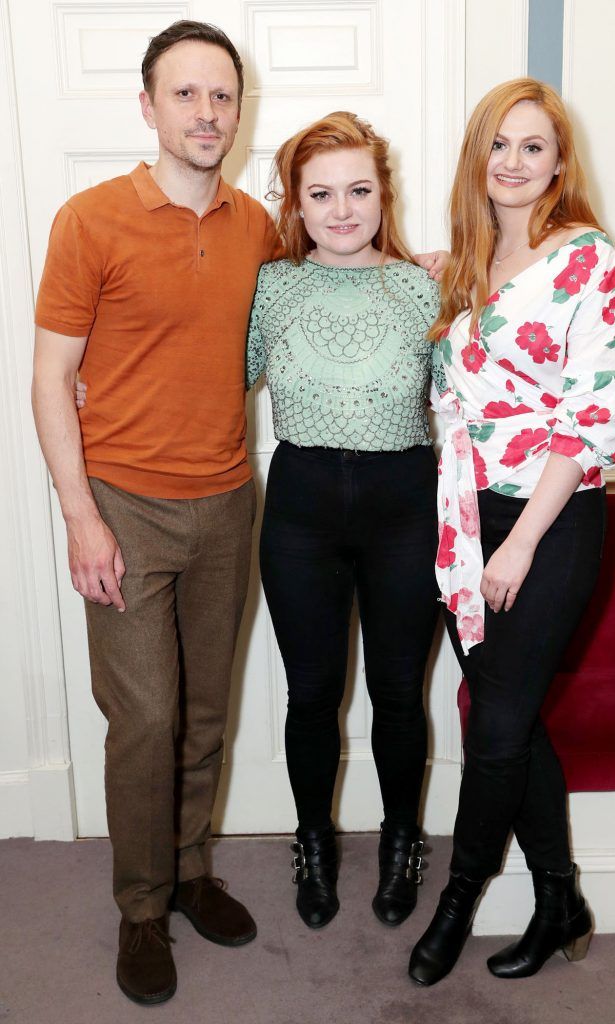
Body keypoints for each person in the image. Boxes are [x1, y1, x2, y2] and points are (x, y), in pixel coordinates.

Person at [31, 20, 281, 1006]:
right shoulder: (88, 220)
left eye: (221, 95)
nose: (206, 112)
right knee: (145, 717)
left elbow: (305, 304)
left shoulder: (256, 227)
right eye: (185, 94)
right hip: (124, 507)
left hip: (227, 500)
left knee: (207, 708)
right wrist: (78, 515)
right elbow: (51, 380)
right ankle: (142, 906)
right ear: (148, 107)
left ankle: (189, 869)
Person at [408, 78, 615, 987]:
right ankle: (559, 898)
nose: (513, 161)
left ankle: (458, 899)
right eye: (498, 144)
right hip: (464, 514)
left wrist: (518, 543)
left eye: (532, 146)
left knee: (494, 725)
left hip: (550, 517)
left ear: (558, 162)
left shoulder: (589, 259)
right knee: (517, 720)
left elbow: (594, 420)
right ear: (479, 157)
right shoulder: (465, 264)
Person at [246, 111, 447, 930]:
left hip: (407, 506)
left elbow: (471, 396)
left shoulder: (426, 284)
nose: (341, 209)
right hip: (301, 507)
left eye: (358, 190)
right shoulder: (269, 286)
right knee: (312, 694)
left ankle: (403, 840)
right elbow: (205, 376)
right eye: (320, 193)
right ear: (294, 202)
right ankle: (314, 842)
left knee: (400, 692)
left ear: (383, 194)